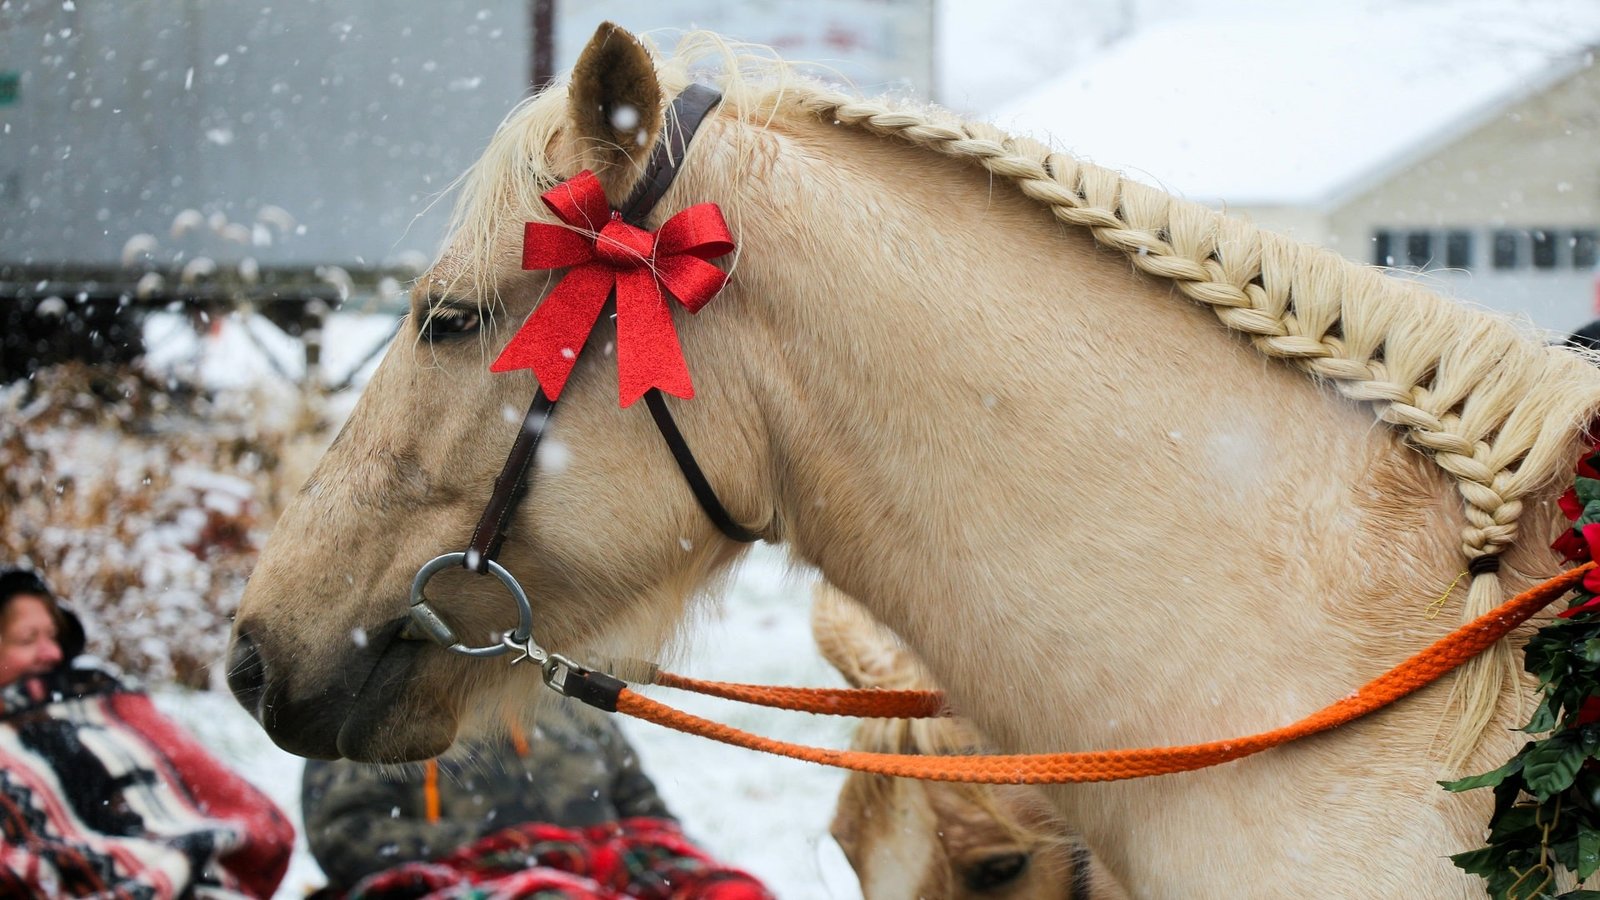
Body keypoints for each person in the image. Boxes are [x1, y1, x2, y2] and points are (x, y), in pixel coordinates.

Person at [0, 566, 294, 899]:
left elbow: (232, 807)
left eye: (53, 637)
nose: (51, 653)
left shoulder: (112, 706)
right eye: (27, 639)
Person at [302, 697, 772, 899]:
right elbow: (344, 840)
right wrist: (513, 850)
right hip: (459, 881)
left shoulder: (561, 691)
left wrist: (590, 858)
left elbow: (646, 810)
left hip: (610, 873)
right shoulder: (374, 708)